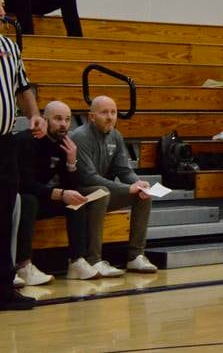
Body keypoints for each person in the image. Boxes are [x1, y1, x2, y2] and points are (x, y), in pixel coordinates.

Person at [16, 101, 104, 284]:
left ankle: (77, 261)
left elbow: (71, 186)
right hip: (18, 198)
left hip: (42, 197)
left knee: (76, 201)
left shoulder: (64, 144)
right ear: (45, 119)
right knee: (28, 200)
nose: (64, 124)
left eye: (67, 119)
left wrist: (71, 162)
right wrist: (60, 194)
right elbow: (24, 183)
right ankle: (23, 265)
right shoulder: (27, 140)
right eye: (58, 119)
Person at [72, 96, 157, 276]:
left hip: (102, 193)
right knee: (101, 192)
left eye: (113, 112)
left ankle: (136, 256)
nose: (110, 117)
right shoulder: (80, 137)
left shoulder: (116, 136)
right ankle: (94, 260)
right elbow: (88, 178)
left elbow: (124, 170)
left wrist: (138, 183)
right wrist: (127, 189)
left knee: (143, 195)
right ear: (91, 116)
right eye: (104, 113)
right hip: (78, 195)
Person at [0, 0, 47, 310]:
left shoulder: (10, 46)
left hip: (4, 142)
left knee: (4, 215)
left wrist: (34, 115)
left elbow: (23, 86)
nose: (4, 6)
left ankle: (4, 288)